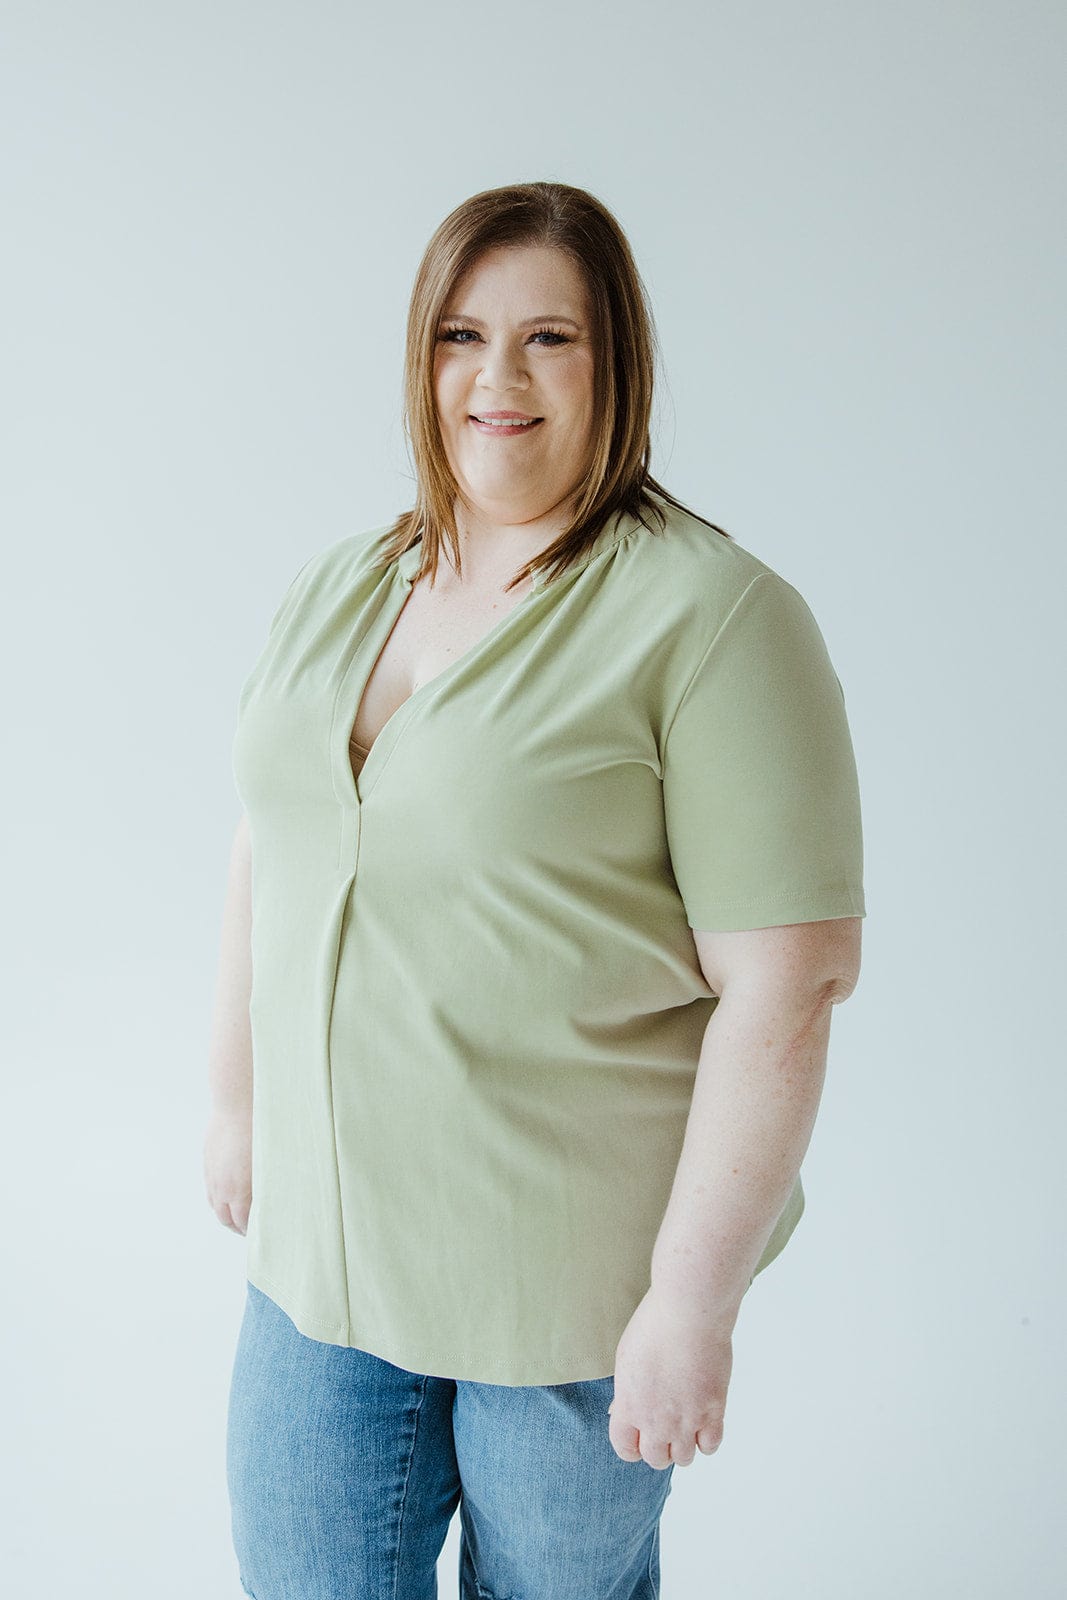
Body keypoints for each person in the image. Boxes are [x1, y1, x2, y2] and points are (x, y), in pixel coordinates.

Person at [203, 180, 866, 1600]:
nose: (496, 378)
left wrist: (693, 1303)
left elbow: (789, 979)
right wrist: (234, 1097)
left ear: (611, 363)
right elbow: (276, 834)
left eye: (547, 338)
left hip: (573, 1290)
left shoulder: (713, 618)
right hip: (323, 1265)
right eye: (460, 335)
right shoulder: (345, 582)